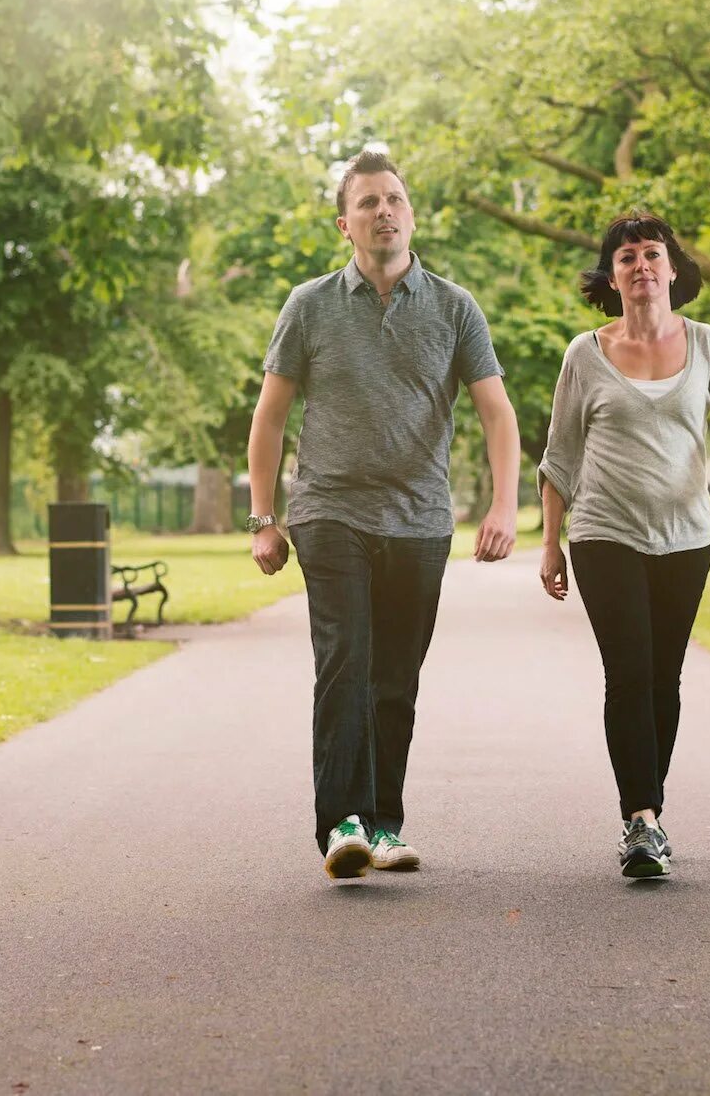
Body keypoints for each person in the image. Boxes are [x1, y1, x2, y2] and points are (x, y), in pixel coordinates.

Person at [247, 149, 521, 880]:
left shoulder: (456, 307)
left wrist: (503, 504)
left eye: (392, 199)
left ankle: (386, 825)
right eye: (367, 203)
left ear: (411, 214)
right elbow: (271, 416)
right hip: (330, 512)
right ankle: (341, 823)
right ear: (346, 223)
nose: (383, 211)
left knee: (395, 678)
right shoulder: (308, 306)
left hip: (421, 520)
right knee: (347, 661)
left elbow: (497, 413)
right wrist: (262, 517)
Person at [537, 210, 710, 879]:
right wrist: (549, 543)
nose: (642, 266)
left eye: (652, 253)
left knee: (663, 678)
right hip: (604, 533)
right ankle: (643, 820)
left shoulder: (707, 344)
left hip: (686, 538)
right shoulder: (583, 354)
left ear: (673, 270)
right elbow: (560, 455)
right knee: (628, 674)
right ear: (612, 276)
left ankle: (647, 811)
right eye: (627, 258)